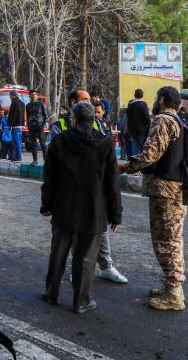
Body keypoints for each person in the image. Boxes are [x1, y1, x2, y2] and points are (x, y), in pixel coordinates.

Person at [41, 102, 122, 313]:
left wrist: (46, 204)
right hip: (94, 211)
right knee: (86, 259)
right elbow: (112, 182)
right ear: (94, 119)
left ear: (73, 119)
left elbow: (49, 177)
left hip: (63, 207)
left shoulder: (59, 141)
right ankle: (81, 301)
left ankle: (52, 293)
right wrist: (116, 214)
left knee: (58, 252)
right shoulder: (105, 143)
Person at [119, 86, 188, 310]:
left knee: (165, 241)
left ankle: (174, 294)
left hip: (165, 190)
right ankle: (171, 286)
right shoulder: (178, 121)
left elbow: (150, 154)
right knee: (171, 239)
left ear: (161, 99)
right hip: (176, 188)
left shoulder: (163, 120)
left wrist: (125, 167)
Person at [126, 89, 151, 157]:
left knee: (135, 149)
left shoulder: (130, 105)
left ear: (134, 95)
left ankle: (134, 164)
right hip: (142, 131)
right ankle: (142, 166)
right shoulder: (143, 104)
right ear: (142, 95)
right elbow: (147, 118)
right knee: (143, 149)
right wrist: (149, 126)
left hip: (132, 131)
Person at [26, 90, 48, 166]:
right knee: (33, 144)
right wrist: (28, 127)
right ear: (30, 96)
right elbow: (28, 116)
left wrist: (43, 125)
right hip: (31, 126)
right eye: (32, 95)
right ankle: (35, 160)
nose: (33, 96)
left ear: (37, 95)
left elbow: (45, 115)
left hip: (39, 125)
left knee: (42, 143)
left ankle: (46, 161)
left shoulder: (41, 104)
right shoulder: (28, 105)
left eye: (35, 94)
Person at [7, 91, 25, 161]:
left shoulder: (14, 103)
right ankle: (18, 156)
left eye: (10, 96)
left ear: (13, 95)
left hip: (15, 126)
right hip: (20, 125)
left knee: (15, 142)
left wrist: (10, 125)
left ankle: (18, 157)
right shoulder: (22, 103)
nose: (10, 97)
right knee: (19, 141)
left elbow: (13, 115)